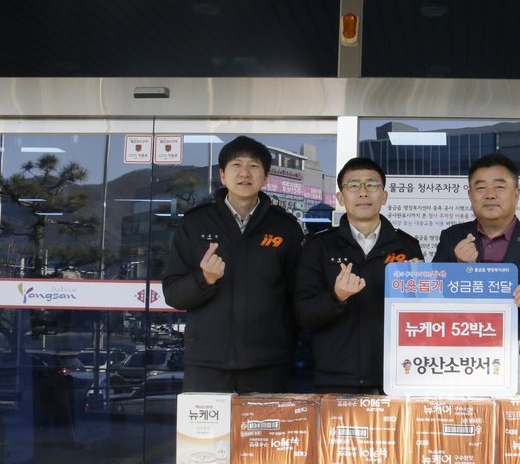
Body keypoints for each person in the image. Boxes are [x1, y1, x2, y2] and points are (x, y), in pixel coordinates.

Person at [161, 135, 303, 393]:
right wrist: (204, 279)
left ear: (266, 178)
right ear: (223, 175)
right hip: (207, 364)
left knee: (264, 422)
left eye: (253, 166)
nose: (245, 173)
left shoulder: (285, 227)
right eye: (236, 165)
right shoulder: (195, 223)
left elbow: (297, 297)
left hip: (268, 364)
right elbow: (173, 294)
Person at [432, 153, 520, 394]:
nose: (490, 194)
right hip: (458, 359)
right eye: (480, 187)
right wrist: (459, 271)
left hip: (519, 363)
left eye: (500, 187)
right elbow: (431, 298)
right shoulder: (452, 237)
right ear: (470, 195)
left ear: (516, 193)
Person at [295, 157, 423, 394]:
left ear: (384, 196)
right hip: (335, 377)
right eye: (353, 185)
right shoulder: (319, 247)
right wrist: (336, 297)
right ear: (340, 197)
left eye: (371, 185)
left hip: (395, 376)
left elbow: (421, 317)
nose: (363, 192)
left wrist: (420, 290)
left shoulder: (407, 246)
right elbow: (304, 316)